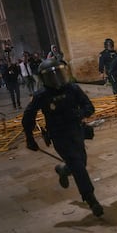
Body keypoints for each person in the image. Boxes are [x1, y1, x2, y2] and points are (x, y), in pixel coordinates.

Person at [22, 58, 103, 217]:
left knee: (81, 163)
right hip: (59, 135)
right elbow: (28, 116)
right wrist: (29, 137)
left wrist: (79, 114)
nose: (57, 78)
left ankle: (63, 170)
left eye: (58, 73)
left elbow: (89, 107)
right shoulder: (42, 95)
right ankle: (91, 199)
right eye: (52, 75)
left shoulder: (72, 88)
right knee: (78, 166)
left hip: (76, 131)